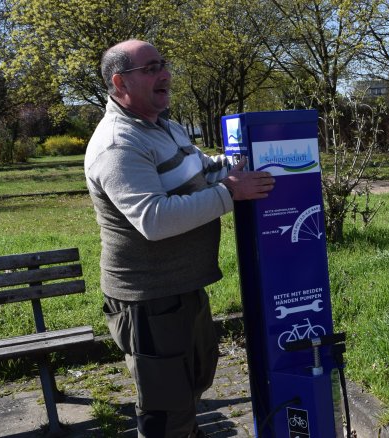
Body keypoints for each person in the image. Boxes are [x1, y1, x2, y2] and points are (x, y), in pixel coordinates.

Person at [85, 39, 275, 438]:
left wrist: (267, 156)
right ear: (120, 82)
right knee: (165, 411)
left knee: (194, 382)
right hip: (149, 298)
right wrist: (230, 194)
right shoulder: (119, 144)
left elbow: (206, 170)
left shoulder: (165, 127)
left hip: (185, 287)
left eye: (164, 64)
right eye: (151, 68)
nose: (165, 74)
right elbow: (153, 219)